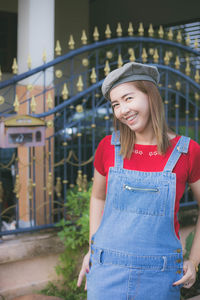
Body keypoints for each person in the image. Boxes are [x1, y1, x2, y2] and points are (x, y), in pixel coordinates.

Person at [77, 62, 200, 299]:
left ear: (150, 95)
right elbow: (97, 197)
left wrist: (194, 261)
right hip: (106, 273)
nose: (122, 110)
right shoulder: (108, 147)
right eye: (115, 104)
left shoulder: (188, 151)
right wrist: (93, 249)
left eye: (128, 98)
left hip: (162, 276)